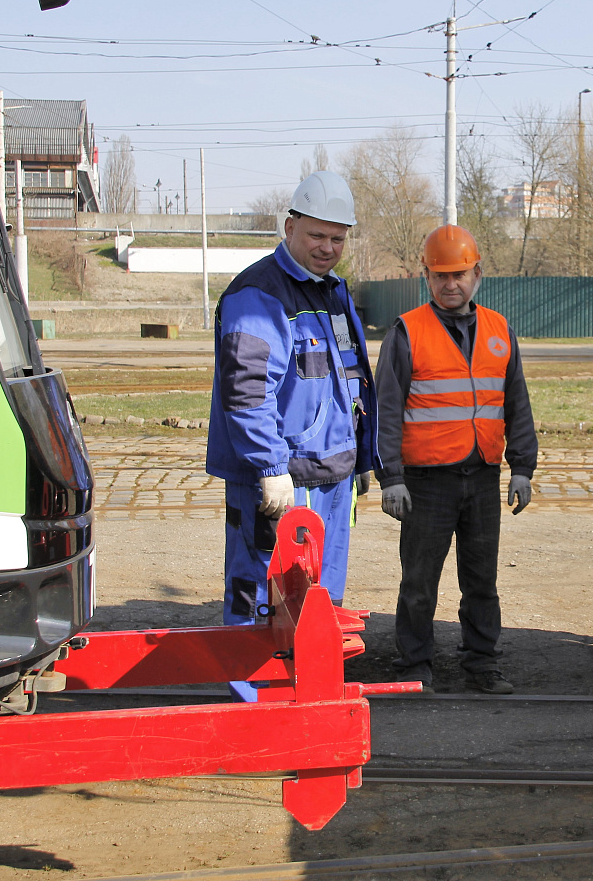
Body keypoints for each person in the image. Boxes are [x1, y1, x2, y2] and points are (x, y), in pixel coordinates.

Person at [206, 170, 378, 699]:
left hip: (332, 480)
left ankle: (311, 700)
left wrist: (363, 457)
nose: (328, 248)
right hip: (279, 486)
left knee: (320, 602)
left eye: (338, 238)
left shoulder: (332, 293)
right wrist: (269, 466)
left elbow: (351, 380)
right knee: (265, 599)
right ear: (290, 226)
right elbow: (247, 391)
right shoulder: (259, 295)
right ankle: (256, 710)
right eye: (317, 236)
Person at [375, 225, 538, 695]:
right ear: (426, 276)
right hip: (426, 482)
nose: (451, 284)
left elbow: (516, 404)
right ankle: (414, 663)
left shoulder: (499, 330)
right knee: (420, 580)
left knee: (482, 579)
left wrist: (522, 468)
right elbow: (387, 409)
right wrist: (391, 477)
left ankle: (482, 661)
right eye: (440, 275)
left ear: (478, 273)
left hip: (482, 476)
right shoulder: (407, 332)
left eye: (460, 274)